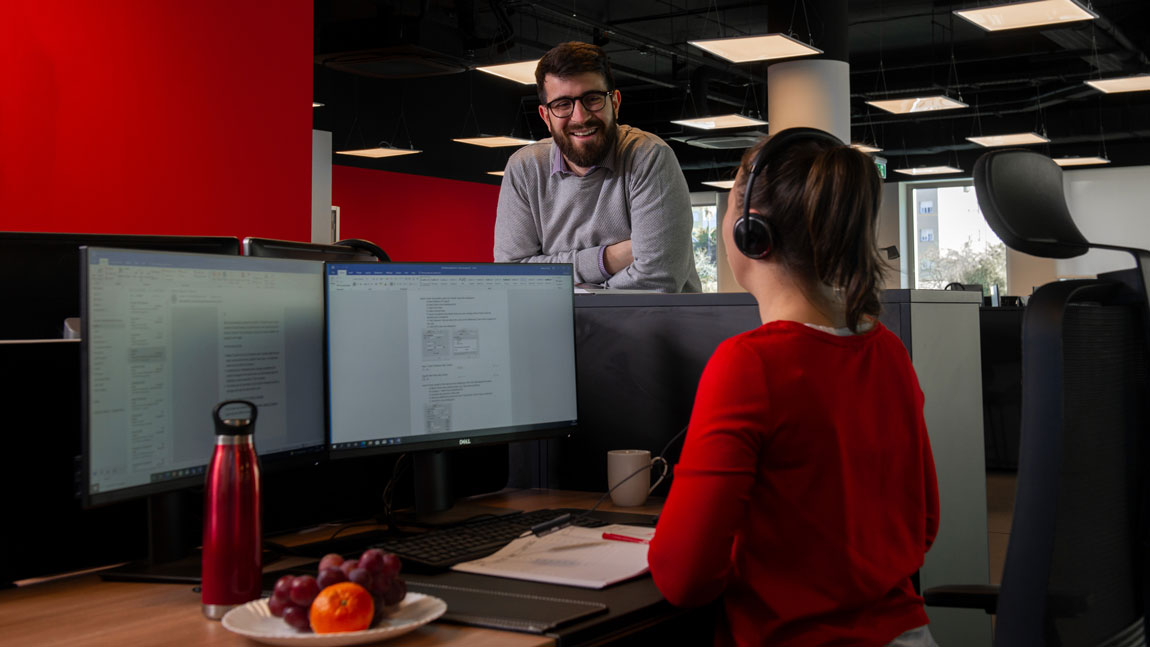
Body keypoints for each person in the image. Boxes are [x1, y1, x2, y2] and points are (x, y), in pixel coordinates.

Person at [647, 128, 940, 647]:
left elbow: (683, 577)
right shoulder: (887, 350)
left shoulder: (750, 365)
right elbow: (923, 527)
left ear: (749, 231)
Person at [494, 41, 700, 292]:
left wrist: (564, 288)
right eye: (562, 105)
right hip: (565, 330)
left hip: (654, 328)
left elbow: (657, 281)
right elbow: (512, 275)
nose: (580, 117)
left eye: (592, 99)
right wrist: (607, 259)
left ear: (615, 103)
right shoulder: (525, 169)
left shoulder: (648, 156)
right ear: (545, 116)